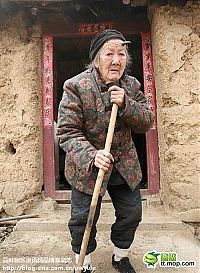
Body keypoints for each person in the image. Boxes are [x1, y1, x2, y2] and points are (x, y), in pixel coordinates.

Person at [57, 29, 154, 273]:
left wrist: (127, 104)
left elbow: (146, 121)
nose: (116, 60)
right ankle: (85, 261)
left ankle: (120, 256)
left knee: (131, 213)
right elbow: (66, 133)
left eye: (121, 54)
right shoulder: (76, 86)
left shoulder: (131, 85)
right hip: (88, 166)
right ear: (96, 58)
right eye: (109, 53)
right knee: (82, 219)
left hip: (124, 164)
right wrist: (92, 155)